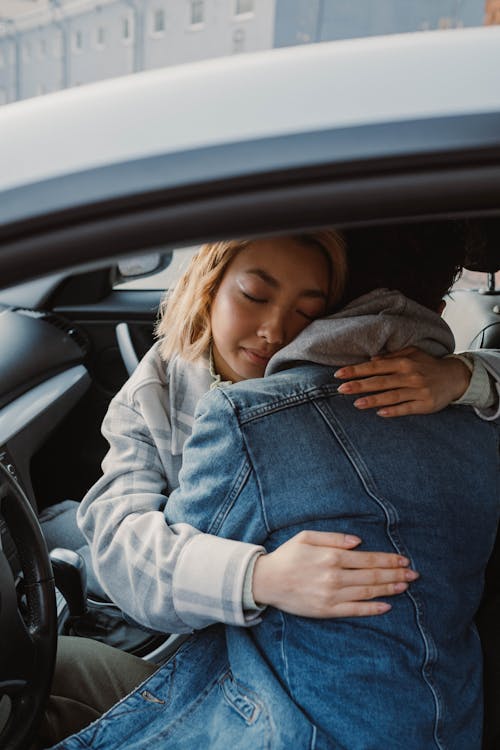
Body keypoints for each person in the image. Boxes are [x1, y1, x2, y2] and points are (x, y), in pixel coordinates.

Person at [49, 223, 499, 749]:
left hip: (251, 681)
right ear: (208, 281)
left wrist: (466, 375)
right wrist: (258, 577)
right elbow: (117, 543)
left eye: (308, 312)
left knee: (50, 668)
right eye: (255, 296)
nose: (274, 330)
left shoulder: (347, 386)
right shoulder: (155, 388)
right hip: (193, 633)